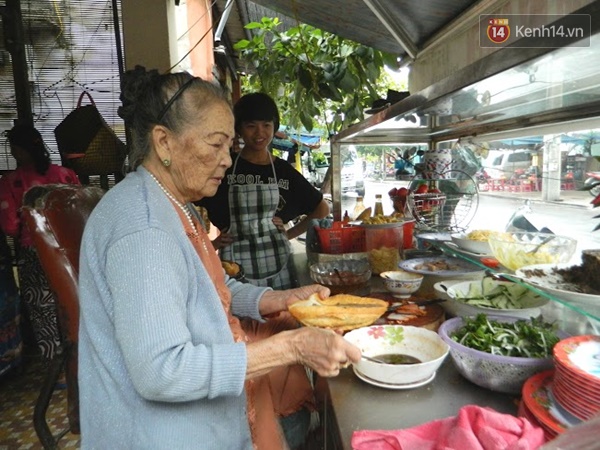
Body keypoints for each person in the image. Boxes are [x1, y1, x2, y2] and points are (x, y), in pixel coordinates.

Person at [77, 66, 360, 449]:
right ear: (164, 142)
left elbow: (208, 284)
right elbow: (161, 371)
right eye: (215, 144)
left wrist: (276, 299)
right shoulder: (144, 228)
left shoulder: (175, 203)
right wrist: (292, 347)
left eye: (229, 146)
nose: (227, 160)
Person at [198, 92, 330, 290]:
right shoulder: (225, 166)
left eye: (266, 125)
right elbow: (189, 206)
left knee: (280, 318)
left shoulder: (283, 171)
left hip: (278, 263)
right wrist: (212, 244)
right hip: (235, 265)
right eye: (251, 126)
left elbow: (321, 209)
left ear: (274, 127)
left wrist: (288, 234)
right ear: (239, 129)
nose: (260, 133)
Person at [0, 124, 80, 364]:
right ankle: (83, 361)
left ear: (18, 151)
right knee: (74, 300)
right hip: (70, 249)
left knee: (42, 308)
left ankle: (56, 366)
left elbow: (11, 226)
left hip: (35, 252)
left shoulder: (11, 182)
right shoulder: (65, 175)